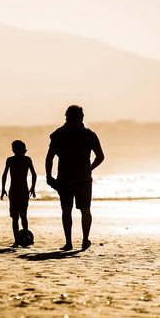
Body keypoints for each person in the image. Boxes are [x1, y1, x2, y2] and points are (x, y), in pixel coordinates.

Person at [45, 105, 104, 251]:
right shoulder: (89, 134)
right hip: (83, 178)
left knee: (66, 209)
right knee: (85, 209)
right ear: (81, 117)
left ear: (66, 117)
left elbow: (49, 158)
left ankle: (69, 242)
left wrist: (49, 176)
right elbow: (100, 157)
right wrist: (89, 168)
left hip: (65, 177)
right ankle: (84, 240)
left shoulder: (59, 134)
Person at [1, 140, 37, 247]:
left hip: (20, 191)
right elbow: (5, 175)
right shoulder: (12, 160)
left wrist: (33, 187)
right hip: (17, 191)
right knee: (16, 217)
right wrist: (3, 189)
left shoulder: (24, 160)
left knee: (21, 216)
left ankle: (22, 238)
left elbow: (34, 174)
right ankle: (18, 240)